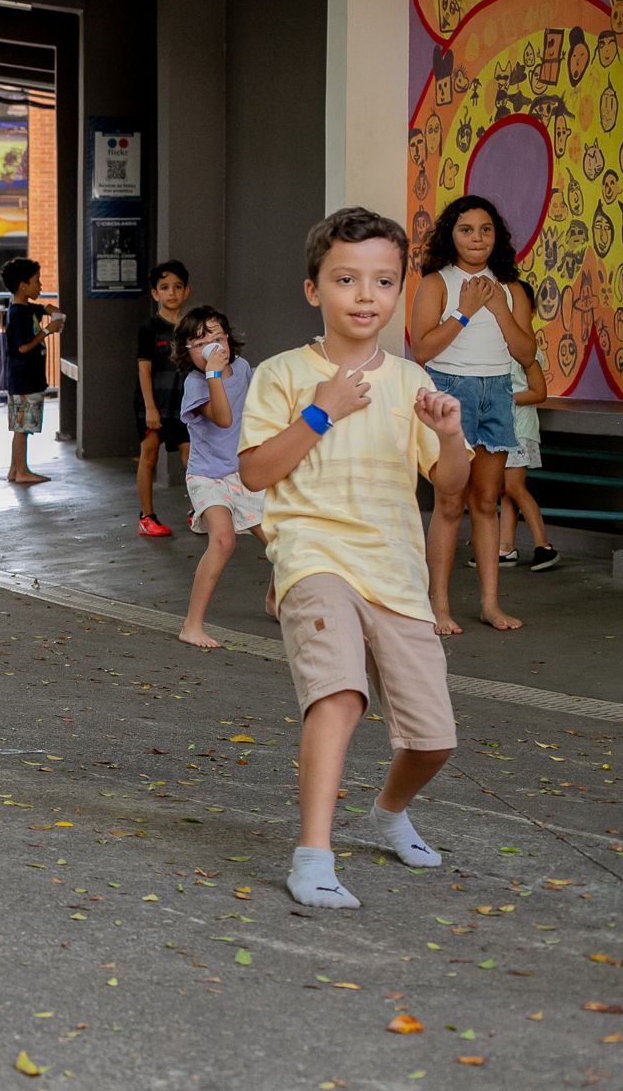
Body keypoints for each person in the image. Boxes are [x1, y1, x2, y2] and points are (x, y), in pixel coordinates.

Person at [238, 206, 469, 910]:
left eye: (383, 281)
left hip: (395, 571)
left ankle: (390, 813)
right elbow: (253, 473)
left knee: (434, 740)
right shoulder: (282, 375)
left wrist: (451, 435)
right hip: (312, 556)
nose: (365, 296)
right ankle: (313, 854)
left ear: (399, 289)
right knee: (338, 692)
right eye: (346, 279)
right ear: (315, 290)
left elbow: (450, 488)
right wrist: (321, 410)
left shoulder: (409, 380)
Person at [411, 195, 535, 633]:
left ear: (496, 236)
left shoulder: (511, 288)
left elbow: (526, 354)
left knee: (486, 500)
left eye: (485, 229)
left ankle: (489, 604)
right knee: (448, 502)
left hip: (498, 391)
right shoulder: (436, 283)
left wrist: (499, 309)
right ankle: (438, 605)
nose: (477, 238)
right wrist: (464, 313)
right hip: (450, 391)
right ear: (451, 235)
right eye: (466, 229)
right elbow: (422, 350)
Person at [172, 305, 273, 648]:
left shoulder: (243, 368)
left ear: (229, 340)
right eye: (201, 343)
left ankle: (274, 599)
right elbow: (224, 418)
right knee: (223, 540)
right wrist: (214, 374)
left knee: (280, 542)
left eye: (218, 339)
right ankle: (192, 624)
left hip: (242, 472)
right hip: (207, 476)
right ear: (187, 352)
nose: (214, 348)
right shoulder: (195, 384)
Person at [133, 260, 190, 536]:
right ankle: (147, 517)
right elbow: (144, 369)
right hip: (153, 405)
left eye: (178, 287)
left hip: (184, 405)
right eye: (165, 287)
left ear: (186, 291)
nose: (172, 293)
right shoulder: (149, 327)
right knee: (149, 455)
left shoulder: (191, 327)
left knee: (192, 456)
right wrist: (150, 408)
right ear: (155, 293)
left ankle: (200, 511)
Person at [495, 345, 557, 571]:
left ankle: (544, 545)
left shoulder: (526, 352)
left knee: (514, 486)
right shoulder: (495, 348)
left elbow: (539, 393)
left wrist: (502, 400)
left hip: (520, 429)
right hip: (502, 428)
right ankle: (505, 548)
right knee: (504, 489)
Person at [0, 256, 59, 484]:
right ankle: (22, 470)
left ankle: (15, 469)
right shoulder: (18, 314)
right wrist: (48, 331)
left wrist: (47, 308)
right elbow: (23, 347)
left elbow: (38, 307)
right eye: (37, 281)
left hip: (23, 378)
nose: (40, 286)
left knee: (20, 427)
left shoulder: (23, 308)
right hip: (26, 378)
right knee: (23, 427)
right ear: (23, 286)